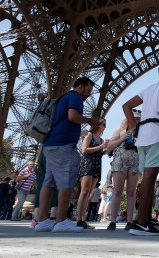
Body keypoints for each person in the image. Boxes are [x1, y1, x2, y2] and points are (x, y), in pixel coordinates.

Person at [33, 76, 99, 233]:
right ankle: (61, 220)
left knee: (48, 182)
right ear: (80, 87)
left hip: (50, 145)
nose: (89, 94)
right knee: (67, 179)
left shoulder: (64, 97)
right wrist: (89, 120)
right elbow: (72, 116)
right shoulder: (75, 97)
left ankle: (42, 220)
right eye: (88, 90)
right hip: (62, 145)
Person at [123, 62, 159, 236]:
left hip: (142, 136)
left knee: (146, 178)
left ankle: (146, 220)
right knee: (150, 177)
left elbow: (126, 105)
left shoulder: (149, 89)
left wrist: (133, 125)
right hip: (157, 133)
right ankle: (141, 223)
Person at [105, 117, 141, 230]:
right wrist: (123, 138)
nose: (135, 120)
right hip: (120, 160)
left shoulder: (141, 132)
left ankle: (130, 221)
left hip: (135, 161)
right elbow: (109, 147)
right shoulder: (119, 130)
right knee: (117, 190)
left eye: (138, 118)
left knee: (131, 191)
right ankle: (113, 221)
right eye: (133, 117)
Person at [76, 119, 108, 229]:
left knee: (89, 193)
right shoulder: (89, 135)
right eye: (100, 123)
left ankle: (83, 219)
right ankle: (79, 219)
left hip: (96, 165)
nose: (103, 125)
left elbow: (99, 152)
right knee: (84, 191)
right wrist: (101, 147)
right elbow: (84, 150)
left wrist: (106, 149)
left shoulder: (101, 139)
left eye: (104, 123)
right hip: (88, 163)